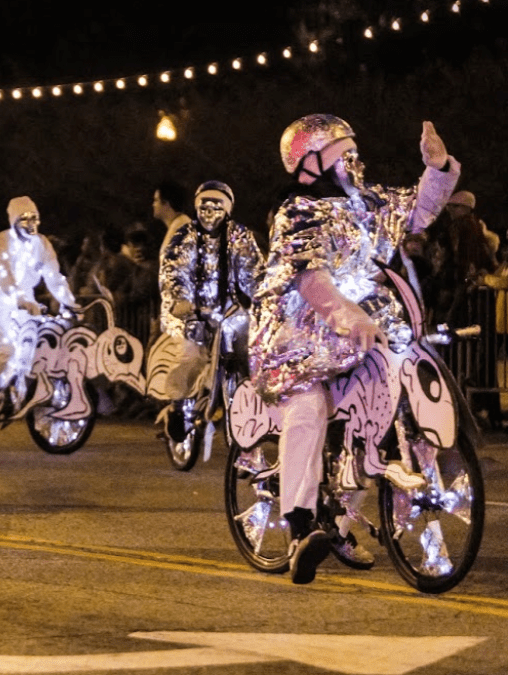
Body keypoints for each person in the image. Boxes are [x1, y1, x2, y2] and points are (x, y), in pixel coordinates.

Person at [249, 114, 459, 585]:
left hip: (360, 324)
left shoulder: (367, 202)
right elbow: (309, 278)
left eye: (352, 148)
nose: (353, 157)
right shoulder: (297, 211)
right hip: (296, 329)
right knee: (310, 405)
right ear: (312, 159)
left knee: (384, 400)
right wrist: (345, 314)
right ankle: (300, 527)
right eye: (342, 150)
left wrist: (438, 165)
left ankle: (345, 514)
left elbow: (419, 210)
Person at [156, 181, 264, 443]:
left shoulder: (240, 236)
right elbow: (175, 271)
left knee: (253, 354)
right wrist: (182, 300)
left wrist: (263, 298)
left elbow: (255, 272)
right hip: (191, 312)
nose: (210, 210)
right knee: (190, 357)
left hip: (228, 312)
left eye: (217, 205)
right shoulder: (186, 236)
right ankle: (177, 407)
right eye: (205, 205)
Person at [0, 196, 78, 425]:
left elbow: (54, 277)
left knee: (34, 344)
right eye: (23, 218)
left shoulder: (42, 244)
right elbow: (3, 275)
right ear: (13, 221)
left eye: (34, 218)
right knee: (5, 347)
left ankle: (16, 389)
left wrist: (70, 303)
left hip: (24, 303)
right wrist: (20, 299)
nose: (30, 223)